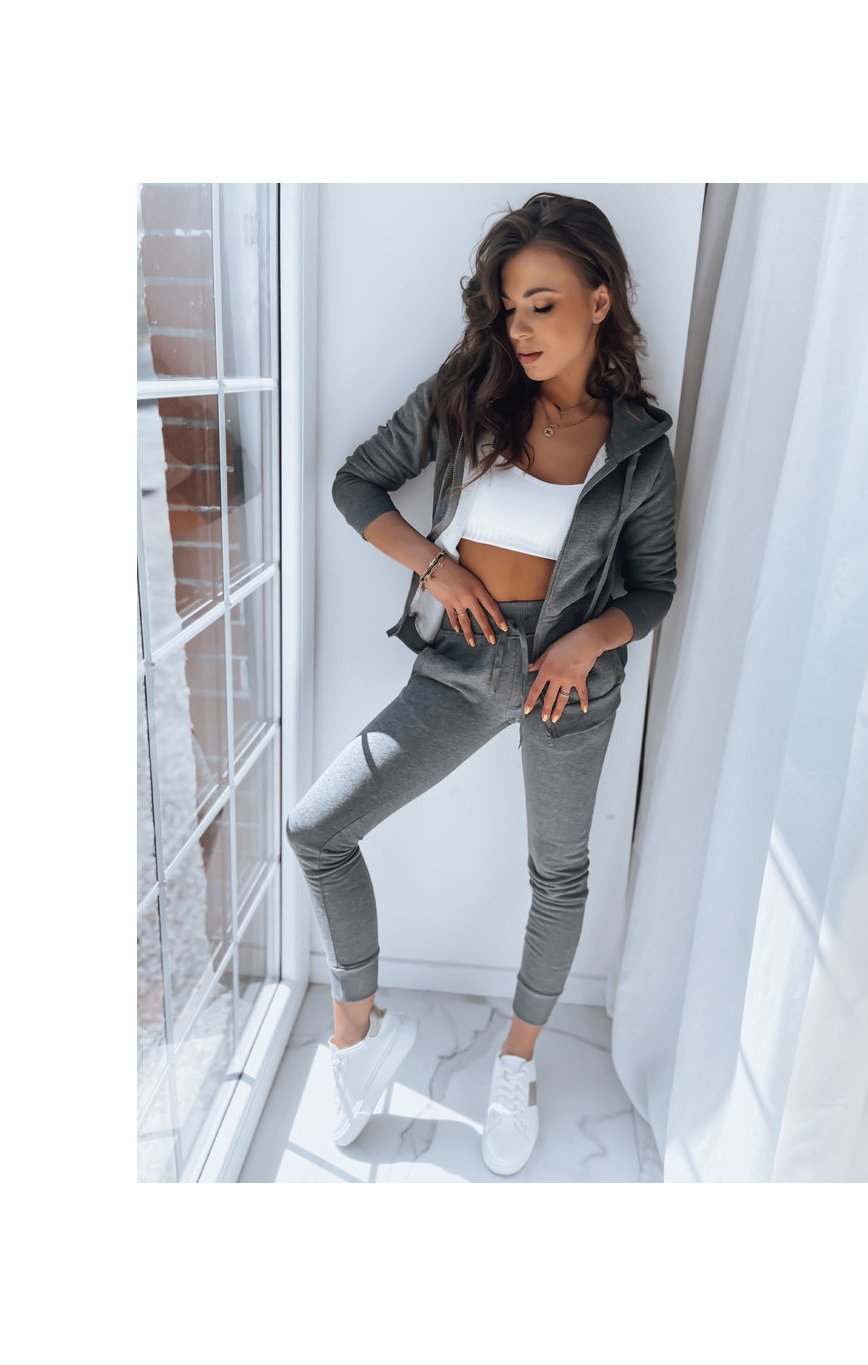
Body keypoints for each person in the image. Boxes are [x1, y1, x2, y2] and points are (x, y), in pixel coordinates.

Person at [285, 191, 679, 1176]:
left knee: (558, 873)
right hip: (463, 663)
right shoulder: (468, 395)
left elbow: (654, 586)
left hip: (567, 684)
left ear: (599, 299)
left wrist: (587, 642)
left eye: (543, 304)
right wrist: (436, 567)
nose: (522, 328)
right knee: (318, 829)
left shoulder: (638, 447)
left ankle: (517, 1060)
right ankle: (358, 1033)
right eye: (510, 308)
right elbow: (356, 484)